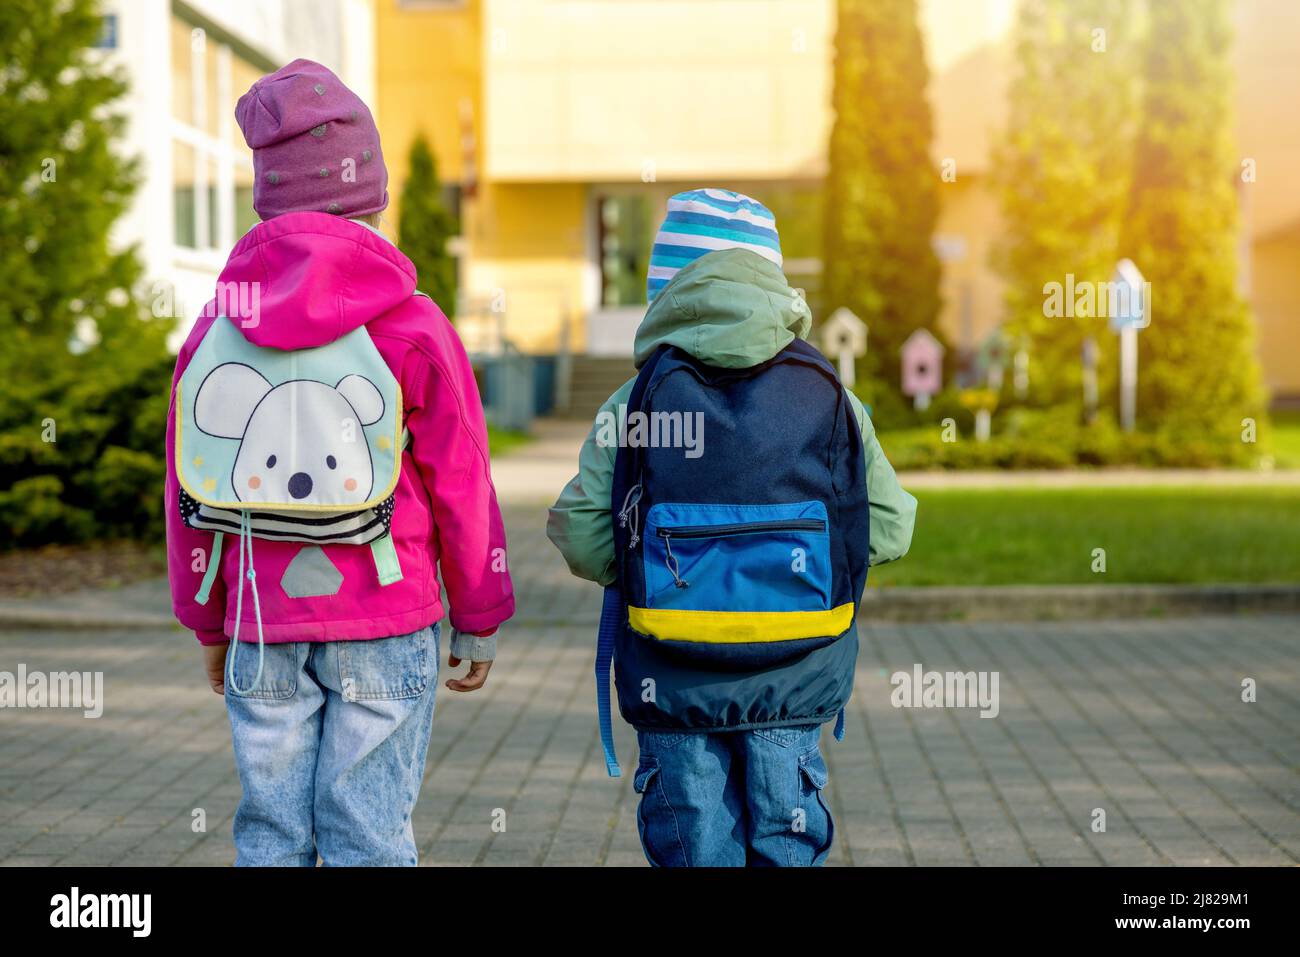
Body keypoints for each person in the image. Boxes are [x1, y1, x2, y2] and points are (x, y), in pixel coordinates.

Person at [164, 59, 513, 866]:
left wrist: (206, 618)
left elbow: (186, 484)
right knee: (369, 832)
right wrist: (481, 609)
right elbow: (462, 477)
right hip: (389, 618)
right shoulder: (414, 322)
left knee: (274, 832)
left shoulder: (220, 324)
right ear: (374, 197)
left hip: (261, 614)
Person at [548, 188, 916, 866]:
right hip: (794, 676)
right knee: (786, 844)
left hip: (673, 679)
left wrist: (646, 568)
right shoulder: (830, 391)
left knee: (694, 848)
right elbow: (890, 529)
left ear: (664, 288)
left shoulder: (636, 399)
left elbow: (579, 529)